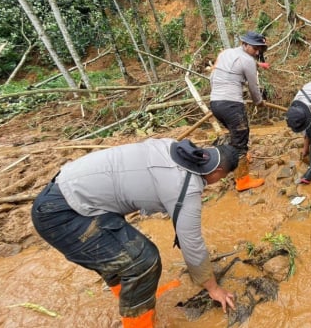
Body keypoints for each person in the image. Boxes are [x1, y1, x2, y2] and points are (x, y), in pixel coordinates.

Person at [31, 139, 239, 327]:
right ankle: (138, 322)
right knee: (142, 261)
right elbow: (192, 244)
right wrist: (213, 288)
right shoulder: (186, 187)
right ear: (218, 171)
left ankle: (134, 300)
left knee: (122, 253)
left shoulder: (173, 146)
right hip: (61, 214)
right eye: (223, 177)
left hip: (66, 194)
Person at [209, 31, 268, 192]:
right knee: (241, 139)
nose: (257, 52)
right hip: (232, 104)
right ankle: (242, 180)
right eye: (255, 48)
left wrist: (217, 97)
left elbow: (212, 77)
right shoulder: (247, 60)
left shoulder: (226, 53)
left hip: (215, 103)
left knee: (235, 134)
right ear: (245, 44)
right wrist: (259, 102)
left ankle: (237, 160)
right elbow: (253, 86)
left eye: (259, 50)